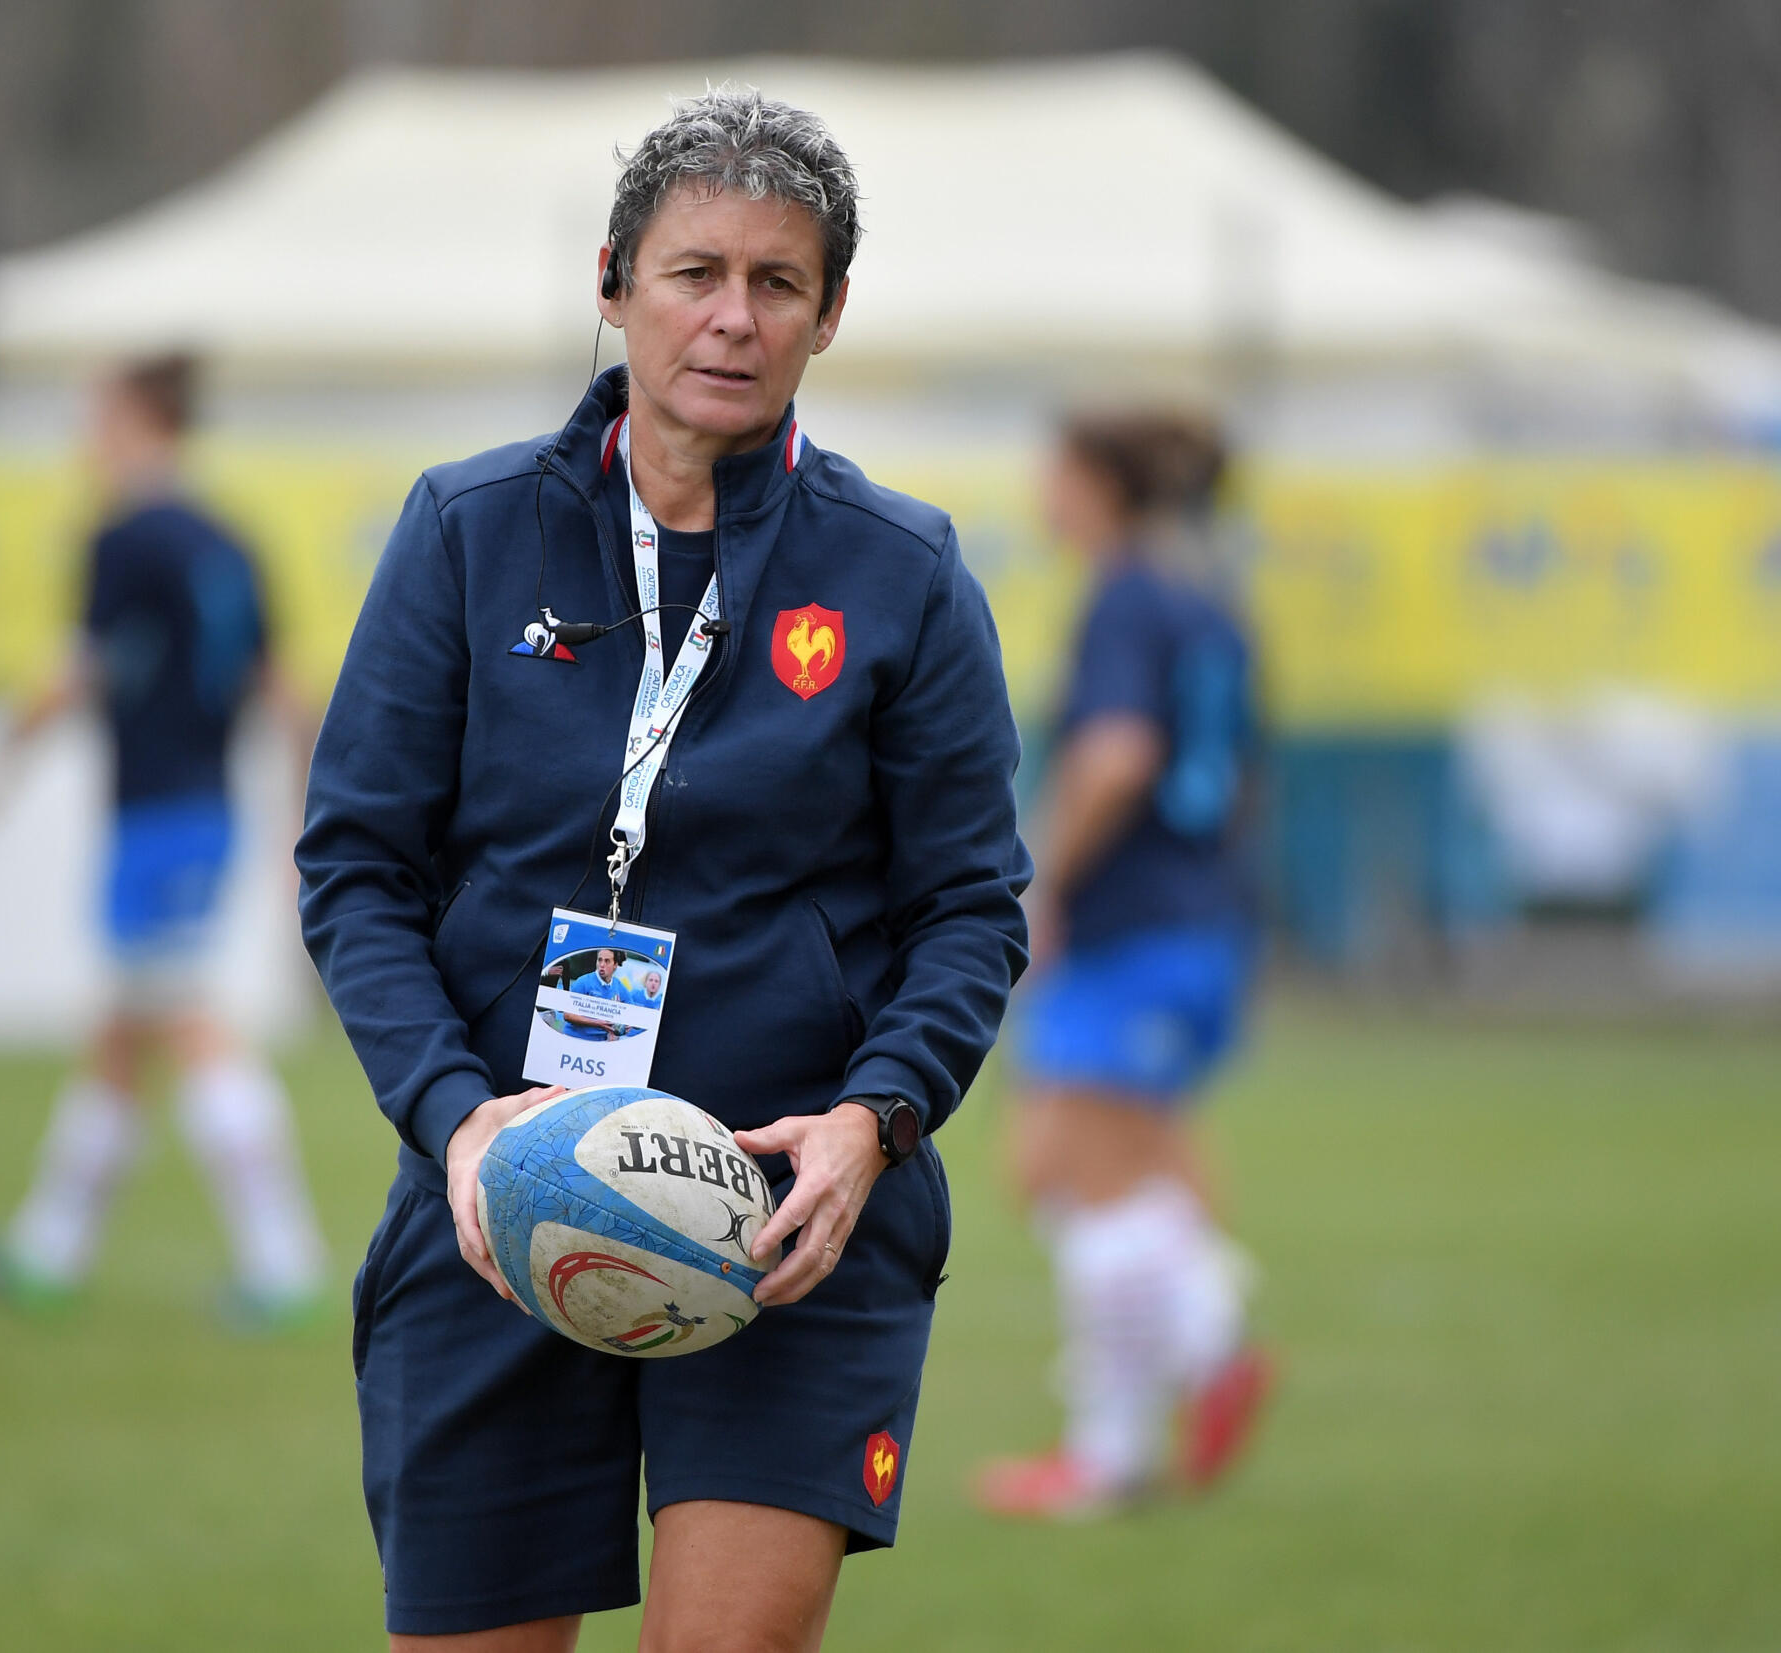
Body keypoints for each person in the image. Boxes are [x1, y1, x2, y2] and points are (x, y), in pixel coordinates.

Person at [298, 87, 1030, 1650]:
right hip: (505, 1201)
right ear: (615, 283)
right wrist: (456, 1122)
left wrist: (871, 1119)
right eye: (695, 272)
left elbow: (969, 907)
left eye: (779, 282)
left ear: (830, 315)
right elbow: (358, 869)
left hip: (782, 1220)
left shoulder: (902, 574)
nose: (733, 318)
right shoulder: (466, 530)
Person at [0, 354, 328, 1328]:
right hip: (201, 807)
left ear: (137, 419)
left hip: (157, 814)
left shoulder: (121, 535)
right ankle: (50, 1252)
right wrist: (299, 814)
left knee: (185, 1027)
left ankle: (282, 1261)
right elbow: (282, 692)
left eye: (94, 415)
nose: (84, 435)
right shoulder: (229, 536)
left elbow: (78, 668)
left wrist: (3, 759)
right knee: (122, 1037)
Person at [971, 409, 1272, 1520]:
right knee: (1062, 1166)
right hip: (1198, 922)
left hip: (1136, 927)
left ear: (1099, 484)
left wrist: (1040, 881)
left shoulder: (1125, 596)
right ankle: (1191, 1358)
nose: (1041, 494)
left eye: (1053, 473)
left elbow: (1116, 754)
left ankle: (1128, 1433)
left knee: (1088, 1186)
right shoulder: (1204, 596)